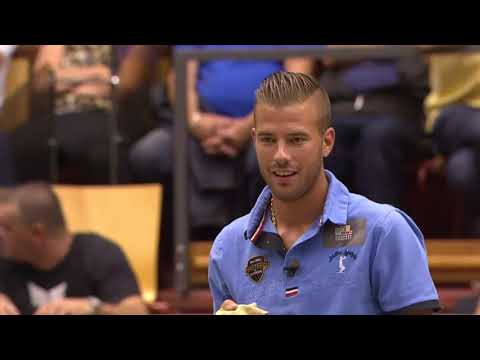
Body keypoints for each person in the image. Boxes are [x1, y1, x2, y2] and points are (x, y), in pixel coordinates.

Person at [208, 72, 440, 315]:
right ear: (254, 141)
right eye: (268, 140)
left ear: (327, 142)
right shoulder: (228, 247)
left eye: (296, 139)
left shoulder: (385, 230)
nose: (281, 155)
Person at [0, 183, 147, 315]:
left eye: (6, 228)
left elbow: (137, 311)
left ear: (37, 233)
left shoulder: (98, 254)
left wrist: (94, 308)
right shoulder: (5, 257)